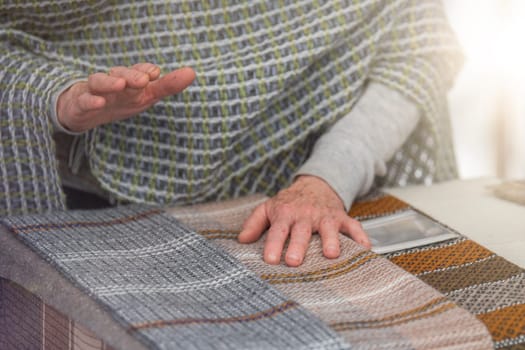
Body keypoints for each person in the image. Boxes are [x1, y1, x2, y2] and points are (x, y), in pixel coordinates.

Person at [0, 0, 462, 266]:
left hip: (300, 199)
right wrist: (60, 101)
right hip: (76, 203)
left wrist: (328, 177)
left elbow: (416, 41)